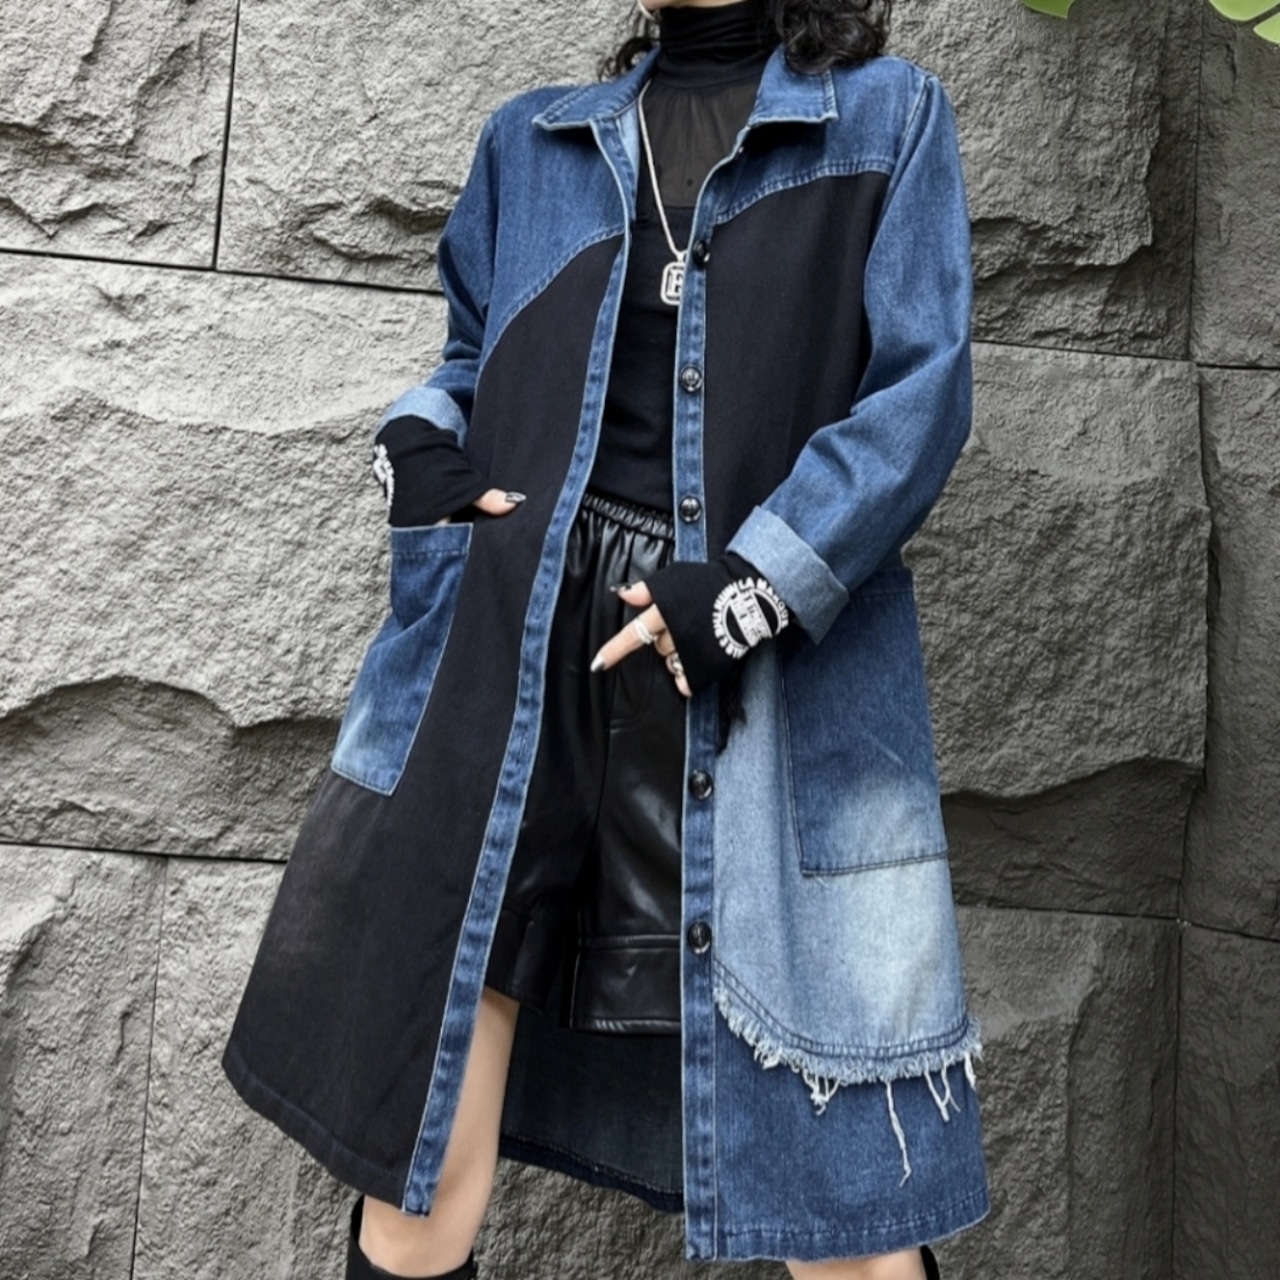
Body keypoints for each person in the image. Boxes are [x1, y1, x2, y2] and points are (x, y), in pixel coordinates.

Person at [222, 0, 990, 1276]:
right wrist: (418, 445)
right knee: (419, 1156)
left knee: (846, 1206)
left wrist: (745, 584)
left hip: (756, 677)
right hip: (517, 670)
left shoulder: (884, 119)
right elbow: (467, 359)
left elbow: (918, 395)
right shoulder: (532, 142)